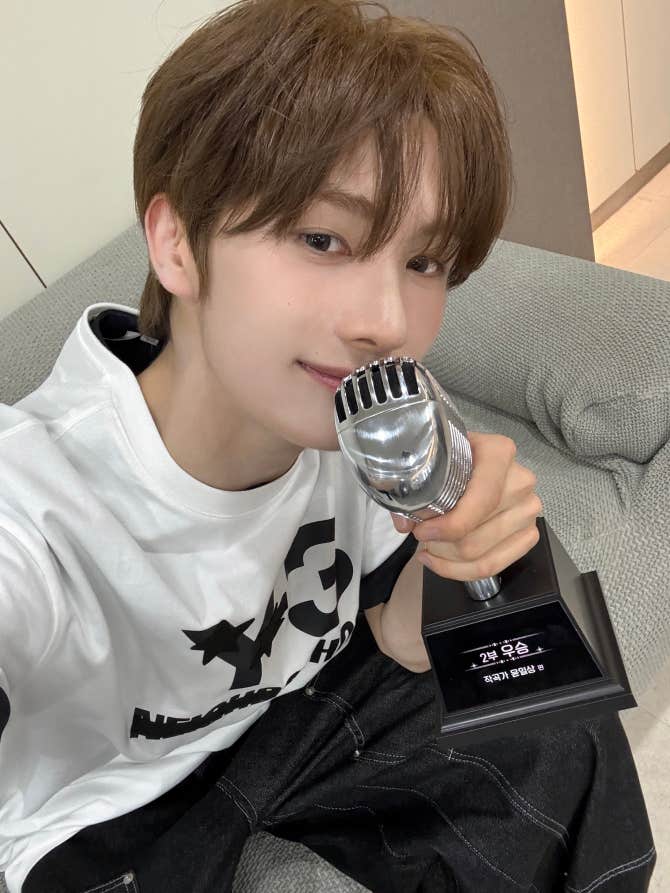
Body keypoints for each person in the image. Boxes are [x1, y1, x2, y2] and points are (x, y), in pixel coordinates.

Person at [0, 1, 656, 891]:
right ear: (176, 243)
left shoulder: (372, 417)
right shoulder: (34, 506)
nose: (386, 322)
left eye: (423, 262)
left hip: (309, 703)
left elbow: (401, 634)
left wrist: (461, 555)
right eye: (323, 238)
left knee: (550, 700)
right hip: (110, 806)